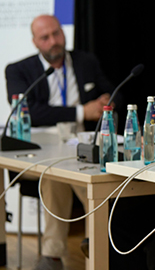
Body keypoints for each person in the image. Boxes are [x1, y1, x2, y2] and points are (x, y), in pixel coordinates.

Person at [5, 14, 118, 270]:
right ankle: (71, 249)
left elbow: (112, 92)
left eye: (57, 33)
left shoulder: (85, 61)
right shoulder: (18, 70)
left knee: (89, 172)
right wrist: (82, 112)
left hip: (81, 147)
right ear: (35, 42)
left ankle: (87, 245)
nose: (53, 41)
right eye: (45, 37)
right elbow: (29, 112)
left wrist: (106, 103)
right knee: (55, 171)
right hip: (38, 154)